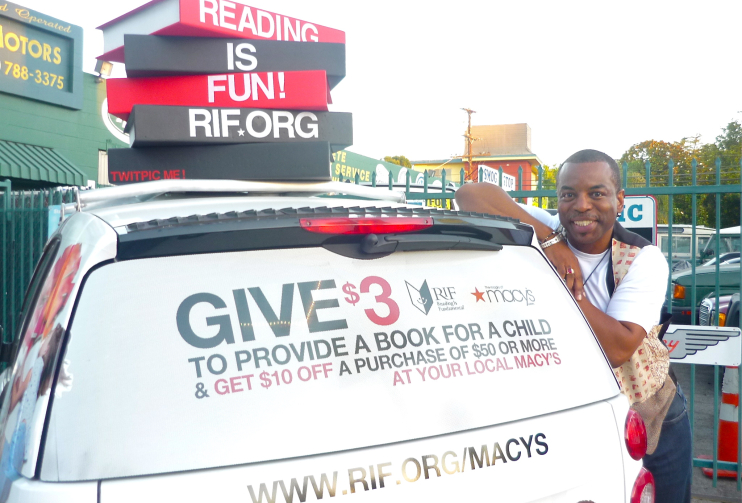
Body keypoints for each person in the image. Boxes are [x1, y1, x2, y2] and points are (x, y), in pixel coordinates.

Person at [455, 149, 691, 503]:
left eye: (597, 193)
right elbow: (468, 194)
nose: (581, 205)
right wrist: (550, 242)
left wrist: (564, 281)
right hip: (576, 410)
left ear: (619, 200)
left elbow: (618, 348)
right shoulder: (547, 228)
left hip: (648, 414)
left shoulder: (642, 259)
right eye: (569, 194)